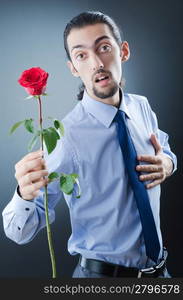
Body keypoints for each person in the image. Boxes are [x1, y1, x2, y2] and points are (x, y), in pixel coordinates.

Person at [2, 11, 177, 278]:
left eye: (104, 48)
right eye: (82, 55)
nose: (97, 63)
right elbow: (19, 233)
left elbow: (163, 149)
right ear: (73, 67)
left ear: (124, 51)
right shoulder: (64, 136)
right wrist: (23, 195)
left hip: (159, 275)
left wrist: (168, 163)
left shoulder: (141, 106)